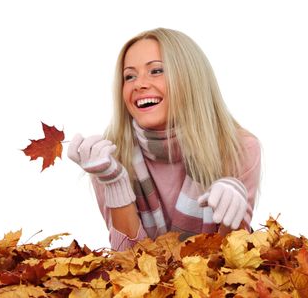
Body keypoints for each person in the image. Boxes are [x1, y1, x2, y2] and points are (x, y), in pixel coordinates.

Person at [68, 28, 261, 251]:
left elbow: (235, 267)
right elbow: (126, 268)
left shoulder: (239, 149)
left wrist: (232, 219)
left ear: (190, 78)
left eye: (156, 71)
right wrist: (115, 183)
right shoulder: (109, 156)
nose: (139, 84)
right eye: (129, 76)